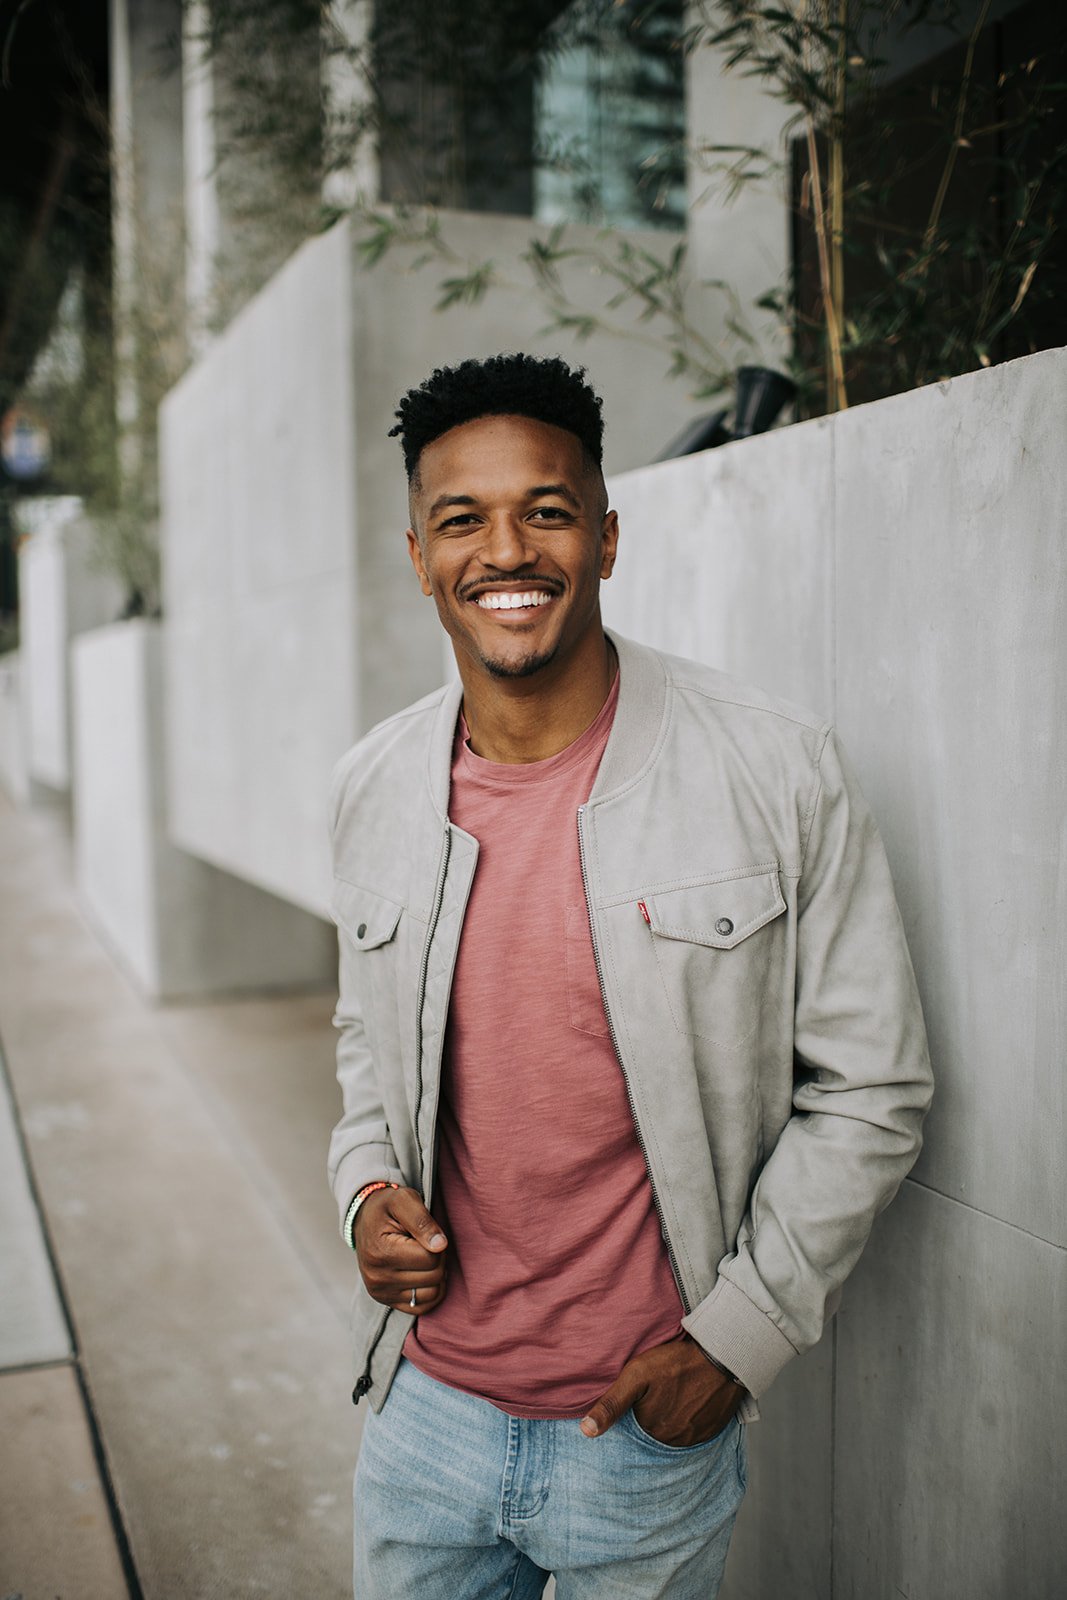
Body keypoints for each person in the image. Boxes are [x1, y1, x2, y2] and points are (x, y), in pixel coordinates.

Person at [327, 352, 933, 1599]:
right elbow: (361, 1047)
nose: (506, 550)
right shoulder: (372, 786)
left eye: (544, 510)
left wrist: (737, 1339)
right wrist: (361, 1194)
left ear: (605, 536)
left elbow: (872, 1088)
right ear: (417, 553)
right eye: (462, 519)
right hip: (422, 1418)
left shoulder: (774, 770)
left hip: (642, 1432)